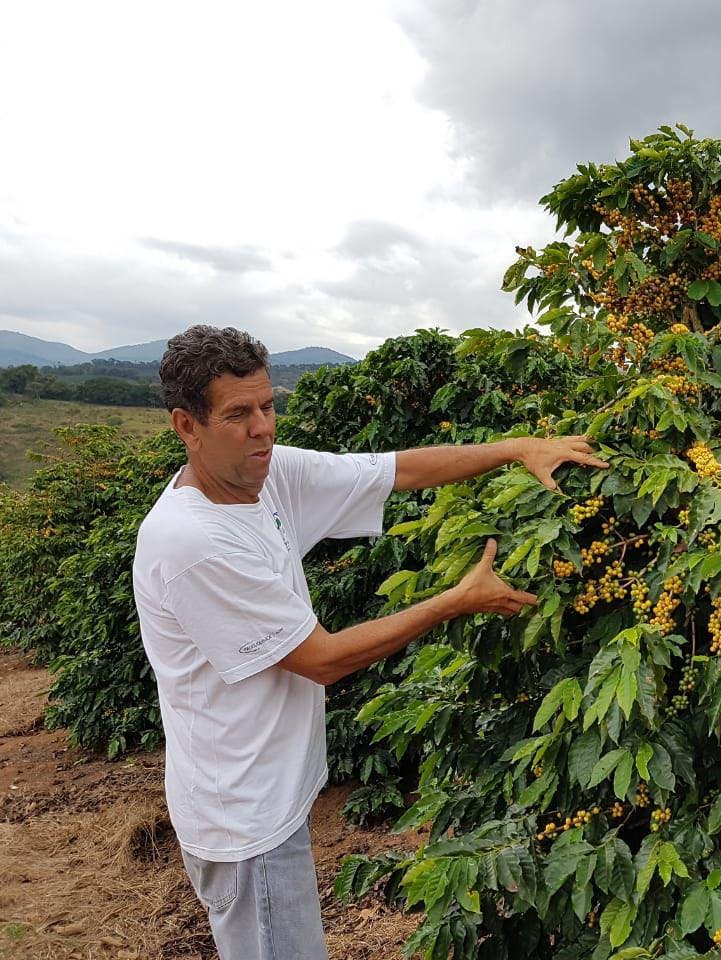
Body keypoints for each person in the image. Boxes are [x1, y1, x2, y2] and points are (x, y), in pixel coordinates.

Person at [132, 325, 606, 959]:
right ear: (186, 426)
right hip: (244, 817)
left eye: (268, 406)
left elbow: (393, 469)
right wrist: (456, 601)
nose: (263, 428)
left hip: (271, 791)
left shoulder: (265, 474)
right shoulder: (193, 542)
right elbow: (323, 661)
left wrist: (518, 448)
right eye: (238, 415)